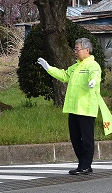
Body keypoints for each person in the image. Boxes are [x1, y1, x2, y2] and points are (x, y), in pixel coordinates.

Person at [37, 37, 102, 175]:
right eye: (75, 49)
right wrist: (48, 68)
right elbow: (64, 75)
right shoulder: (76, 66)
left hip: (86, 108)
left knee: (87, 139)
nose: (75, 52)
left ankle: (86, 165)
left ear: (87, 50)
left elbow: (95, 75)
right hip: (73, 108)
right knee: (75, 138)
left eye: (77, 49)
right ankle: (82, 164)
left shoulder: (93, 65)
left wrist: (93, 82)